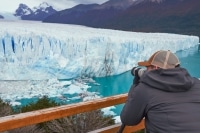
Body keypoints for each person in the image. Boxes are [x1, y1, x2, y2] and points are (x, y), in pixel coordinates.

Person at [120, 50, 200, 133]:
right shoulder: (197, 83)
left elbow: (128, 119)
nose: (146, 71)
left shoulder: (145, 89)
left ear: (156, 68)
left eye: (148, 68)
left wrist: (136, 85)